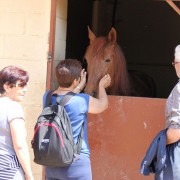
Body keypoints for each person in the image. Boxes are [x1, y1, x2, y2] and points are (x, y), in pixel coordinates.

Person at [42, 59, 111, 180]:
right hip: (76, 162)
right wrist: (102, 87)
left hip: (51, 162)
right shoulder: (82, 100)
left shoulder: (47, 96)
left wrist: (78, 86)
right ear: (75, 80)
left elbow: (64, 98)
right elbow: (102, 105)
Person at [0, 66, 34, 180]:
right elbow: (19, 145)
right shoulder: (13, 108)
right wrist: (29, 174)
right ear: (7, 87)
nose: (25, 89)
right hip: (9, 170)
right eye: (21, 85)